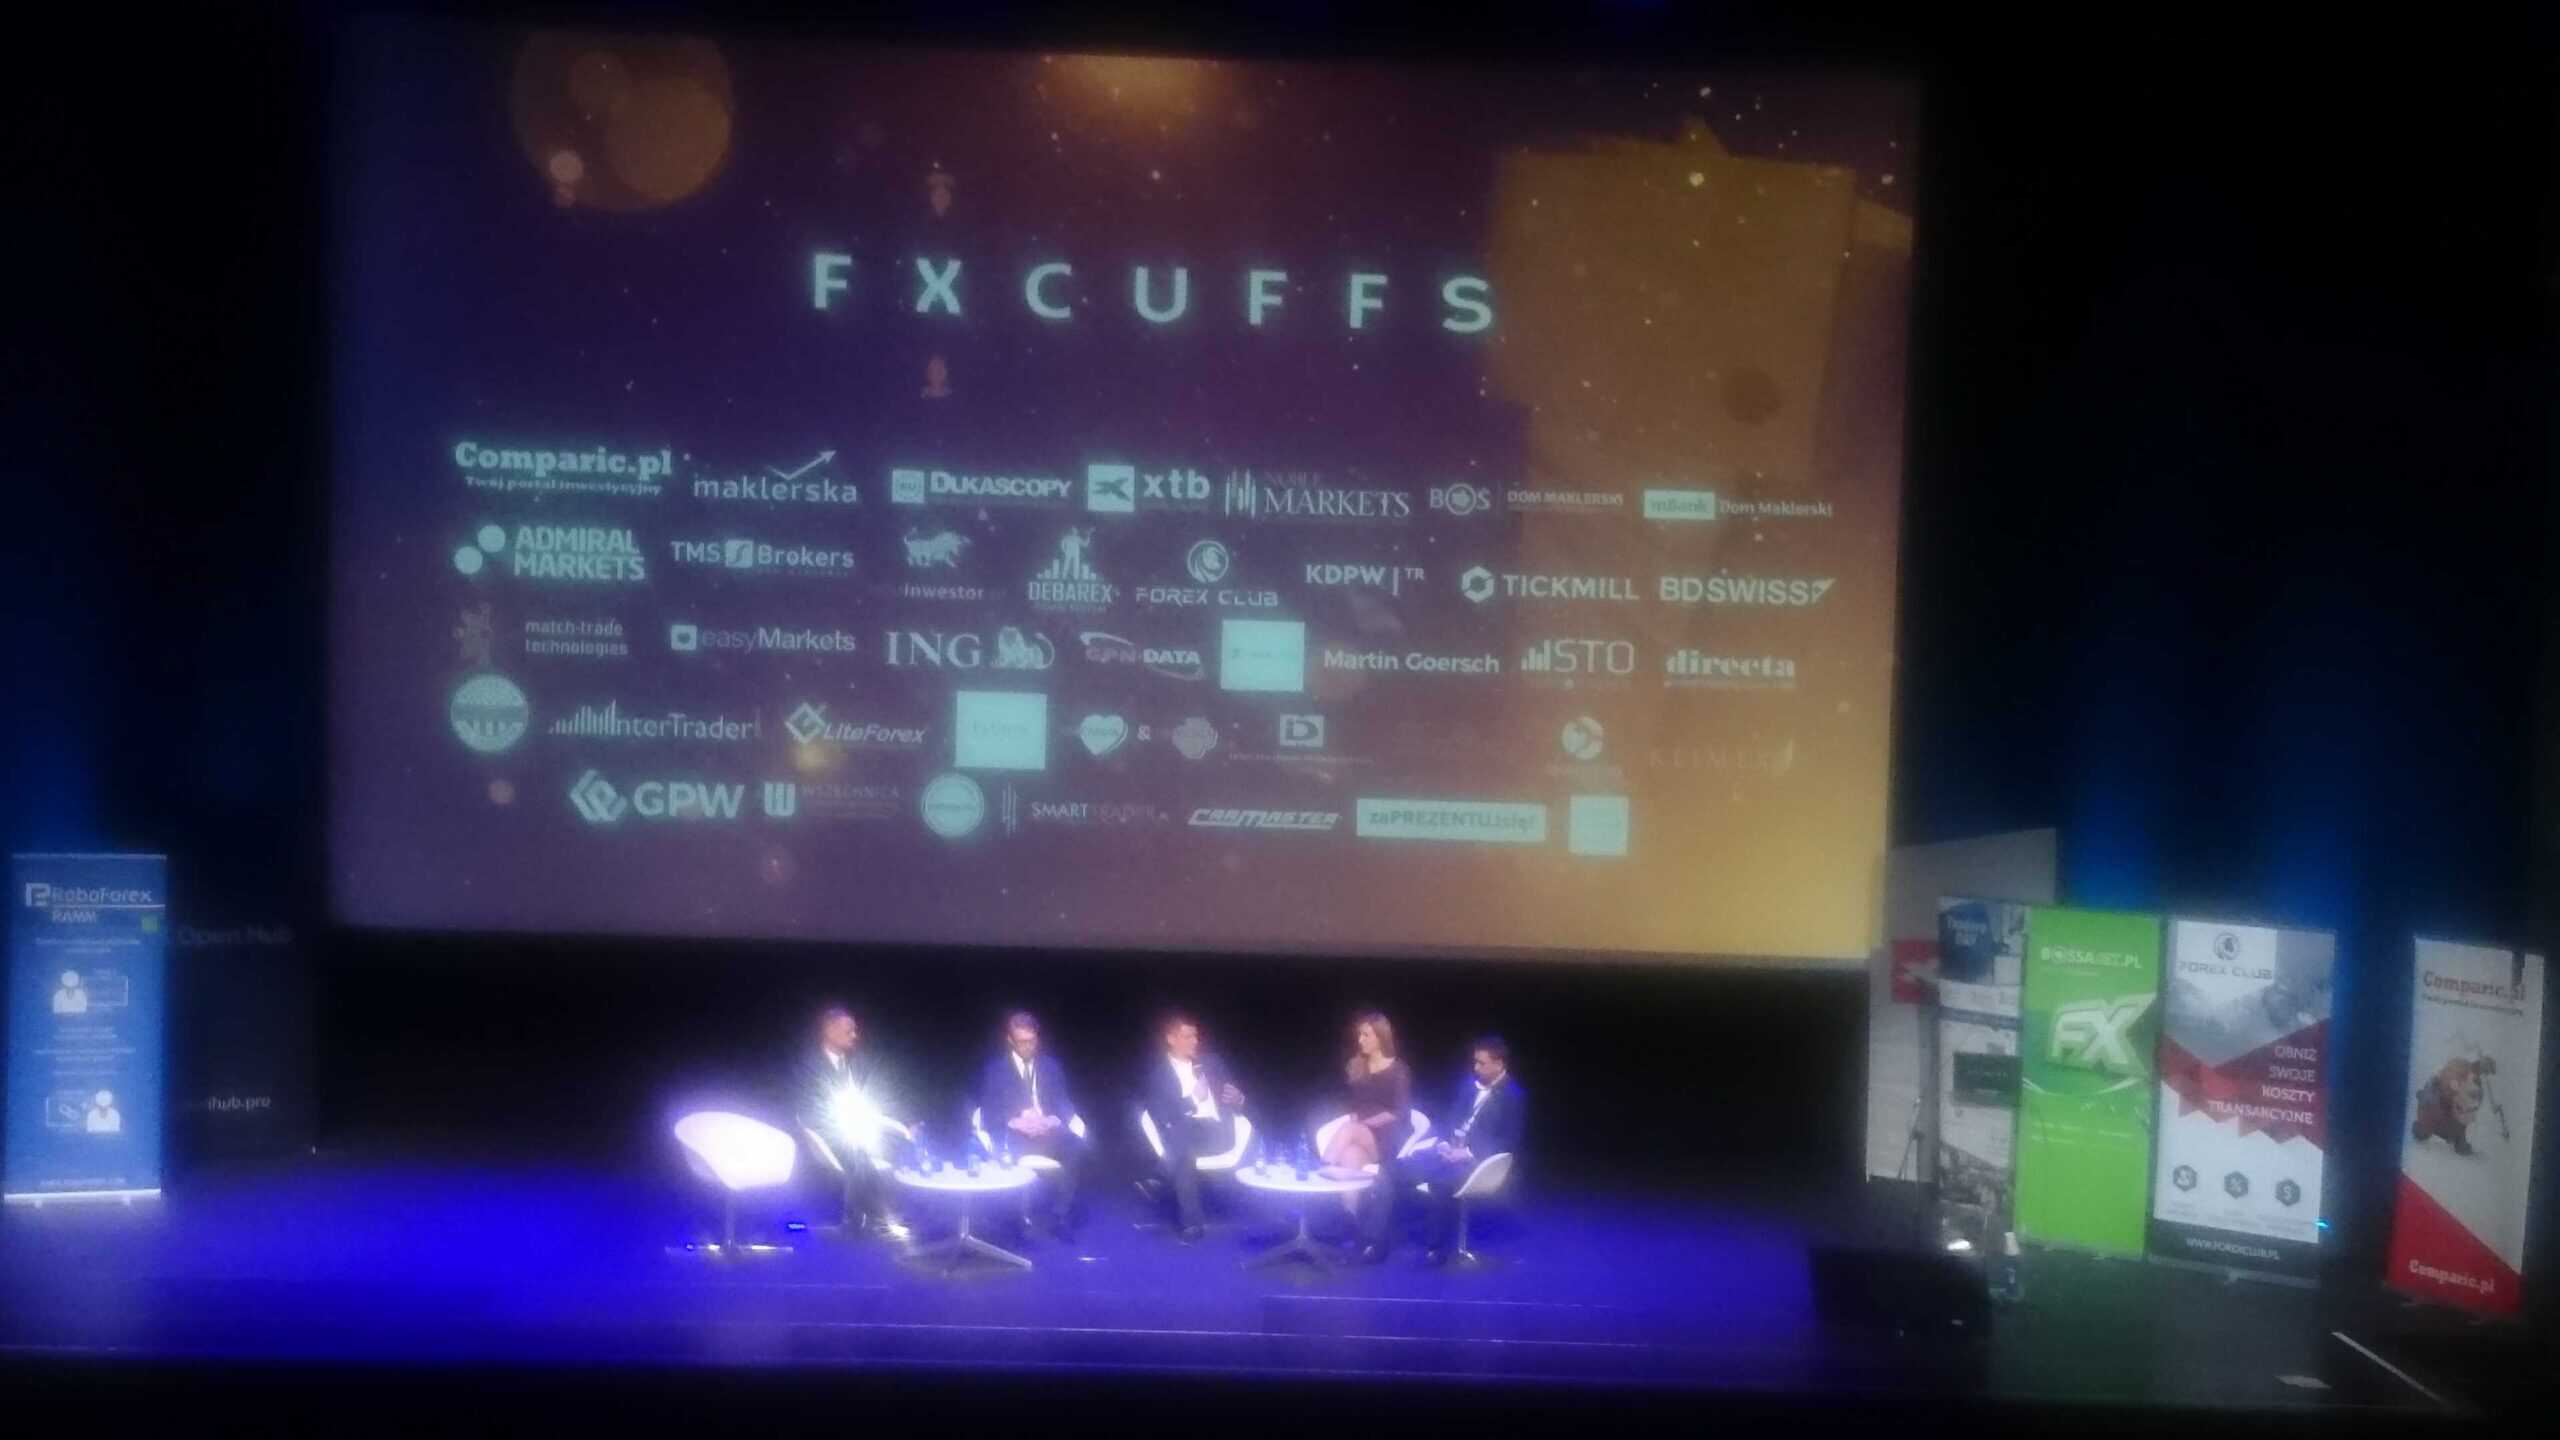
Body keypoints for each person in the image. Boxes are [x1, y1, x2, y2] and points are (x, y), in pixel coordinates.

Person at [1372, 1037, 1525, 1265]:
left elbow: (1509, 1141)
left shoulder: (1513, 1096)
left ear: (1499, 1064)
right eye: (1475, 1062)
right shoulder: (1468, 1086)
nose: (1476, 1068)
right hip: (1447, 1151)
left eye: (1482, 1063)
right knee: (1390, 1170)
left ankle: (1436, 1250)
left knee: (1441, 1182)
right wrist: (1444, 1143)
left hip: (1478, 1163)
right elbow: (1450, 1118)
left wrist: (1468, 1152)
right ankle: (1376, 1243)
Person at [790, 1005, 912, 1238]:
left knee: (899, 1143)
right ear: (829, 1030)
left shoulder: (856, 1063)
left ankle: (890, 1212)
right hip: (825, 1132)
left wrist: (900, 1124)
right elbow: (810, 1109)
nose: (855, 1036)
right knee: (857, 1151)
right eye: (849, 1031)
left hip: (858, 1125)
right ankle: (876, 1218)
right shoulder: (808, 1065)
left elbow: (874, 1097)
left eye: (855, 1030)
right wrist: (848, 1127)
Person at [1138, 1013, 1250, 1242]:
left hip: (1217, 1132)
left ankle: (1159, 1176)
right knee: (1184, 1148)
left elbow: (1235, 1098)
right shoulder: (1158, 1074)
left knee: (1180, 1138)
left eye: (1196, 1036)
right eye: (1188, 1036)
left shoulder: (1213, 1063)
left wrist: (1239, 1099)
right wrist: (1192, 1100)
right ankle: (1192, 1225)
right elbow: (1161, 1116)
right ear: (1171, 1039)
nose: (1195, 1041)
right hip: (1183, 1134)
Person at [975, 1011, 1087, 1238]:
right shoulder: (995, 1071)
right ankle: (1015, 1218)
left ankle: (1060, 1215)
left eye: (1032, 1041)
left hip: (1047, 1132)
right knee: (1011, 1152)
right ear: (1010, 1040)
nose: (1028, 1047)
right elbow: (987, 1112)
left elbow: (1064, 1103)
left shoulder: (1051, 1067)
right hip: (1015, 1135)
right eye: (1022, 1042)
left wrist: (1052, 1120)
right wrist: (1015, 1122)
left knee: (1076, 1146)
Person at [1324, 1012, 1413, 1221]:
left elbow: (1401, 1112)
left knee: (1352, 1129)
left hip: (1386, 1138)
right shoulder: (1357, 1065)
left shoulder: (1399, 1070)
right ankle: (1350, 1218)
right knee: (1350, 1156)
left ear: (1380, 1037)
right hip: (1360, 1136)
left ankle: (1322, 1169)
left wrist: (1364, 1124)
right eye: (1359, 1035)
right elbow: (1353, 1103)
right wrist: (1355, 1116)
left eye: (1366, 1035)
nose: (1360, 1040)